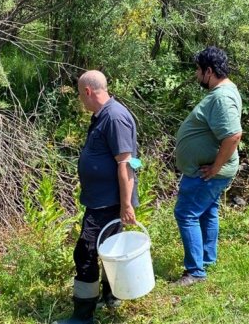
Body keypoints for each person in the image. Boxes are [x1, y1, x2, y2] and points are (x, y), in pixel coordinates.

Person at [54, 70, 139, 324]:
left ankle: (83, 316)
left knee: (86, 253)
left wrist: (126, 205)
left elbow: (126, 163)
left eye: (81, 95)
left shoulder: (114, 117)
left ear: (89, 92)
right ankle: (112, 296)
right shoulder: (102, 116)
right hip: (100, 200)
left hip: (108, 203)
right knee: (109, 248)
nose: (81, 100)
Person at [173, 46, 242, 287]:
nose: (196, 75)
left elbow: (233, 135)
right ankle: (207, 259)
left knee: (186, 214)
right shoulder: (223, 93)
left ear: (209, 71)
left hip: (208, 172)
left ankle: (195, 272)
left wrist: (215, 167)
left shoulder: (222, 97)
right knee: (207, 210)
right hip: (208, 170)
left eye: (198, 70)